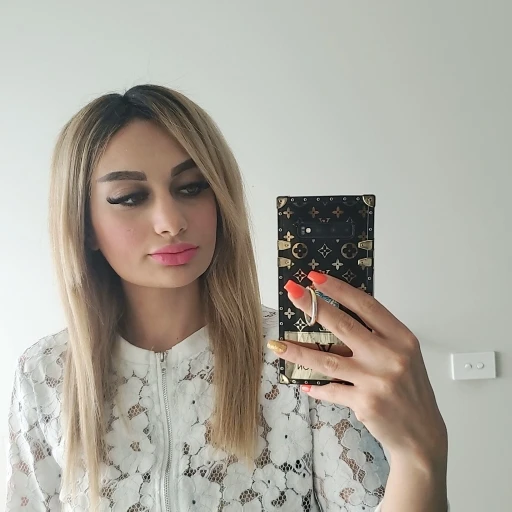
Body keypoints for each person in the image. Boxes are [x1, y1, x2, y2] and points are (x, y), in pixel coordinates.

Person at [5, 84, 448, 511]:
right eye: (130, 197)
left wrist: (421, 455)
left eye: (191, 187)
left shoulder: (301, 355)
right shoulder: (44, 373)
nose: (170, 221)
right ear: (84, 225)